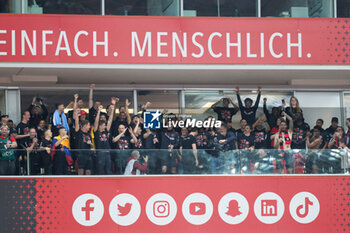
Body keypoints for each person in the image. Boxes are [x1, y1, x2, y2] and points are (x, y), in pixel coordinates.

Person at [93, 104, 114, 175]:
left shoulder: (106, 131)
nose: (105, 126)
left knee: (108, 169)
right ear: (100, 126)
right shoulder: (96, 132)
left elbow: (110, 121)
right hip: (100, 153)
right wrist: (99, 111)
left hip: (107, 153)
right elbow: (96, 122)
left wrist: (112, 110)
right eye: (104, 125)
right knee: (100, 169)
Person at [74, 108, 94, 175]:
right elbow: (76, 124)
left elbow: (92, 146)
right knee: (81, 169)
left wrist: (91, 144)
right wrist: (77, 114)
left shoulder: (89, 134)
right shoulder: (79, 132)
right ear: (85, 125)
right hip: (81, 154)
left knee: (89, 170)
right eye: (88, 125)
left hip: (88, 154)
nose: (89, 127)